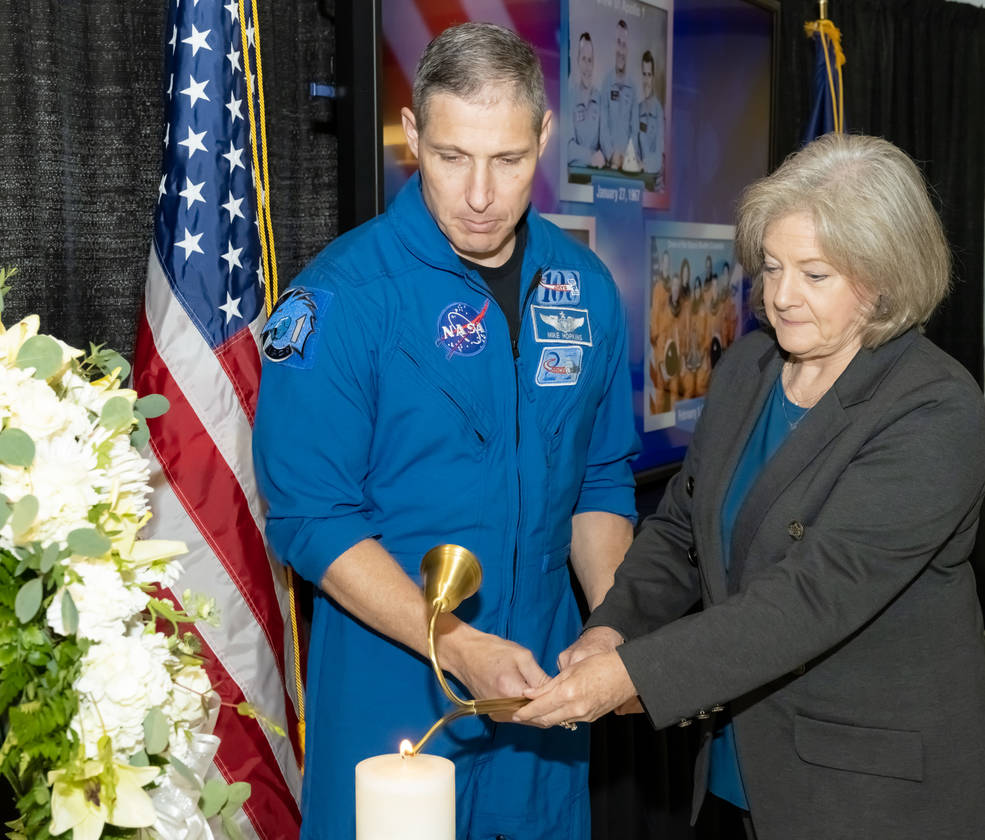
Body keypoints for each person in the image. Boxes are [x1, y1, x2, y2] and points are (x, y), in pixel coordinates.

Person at [515, 133, 985, 840]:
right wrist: (614, 627)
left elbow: (809, 597)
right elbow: (678, 530)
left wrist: (631, 676)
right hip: (737, 772)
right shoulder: (750, 367)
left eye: (814, 275)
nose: (778, 297)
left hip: (867, 795)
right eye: (769, 267)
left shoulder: (935, 409)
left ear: (884, 276)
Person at [252, 22, 639, 840]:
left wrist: (613, 624)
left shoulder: (588, 288)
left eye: (507, 160)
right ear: (412, 134)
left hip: (543, 682)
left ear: (544, 136)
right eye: (451, 156)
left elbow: (599, 475)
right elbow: (309, 519)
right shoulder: (341, 298)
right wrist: (457, 645)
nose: (479, 194)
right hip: (396, 688)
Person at [599, 19, 636, 170]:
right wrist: (612, 155)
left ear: (627, 49)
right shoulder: (606, 84)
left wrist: (628, 156)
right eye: (618, 43)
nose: (621, 50)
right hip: (609, 164)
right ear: (613, 46)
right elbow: (603, 127)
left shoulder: (633, 88)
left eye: (624, 44)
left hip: (628, 165)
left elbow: (635, 129)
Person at [567, 32, 605, 168]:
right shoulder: (569, 97)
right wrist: (590, 156)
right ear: (577, 60)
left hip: (597, 178)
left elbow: (604, 144)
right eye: (584, 59)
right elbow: (568, 147)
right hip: (572, 181)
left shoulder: (600, 99)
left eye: (590, 60)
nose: (587, 66)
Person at [635, 49, 665, 176]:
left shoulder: (659, 112)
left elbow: (659, 157)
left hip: (654, 183)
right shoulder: (637, 109)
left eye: (649, 75)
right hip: (637, 177)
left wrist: (643, 165)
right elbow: (634, 147)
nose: (646, 81)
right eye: (644, 74)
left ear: (653, 77)